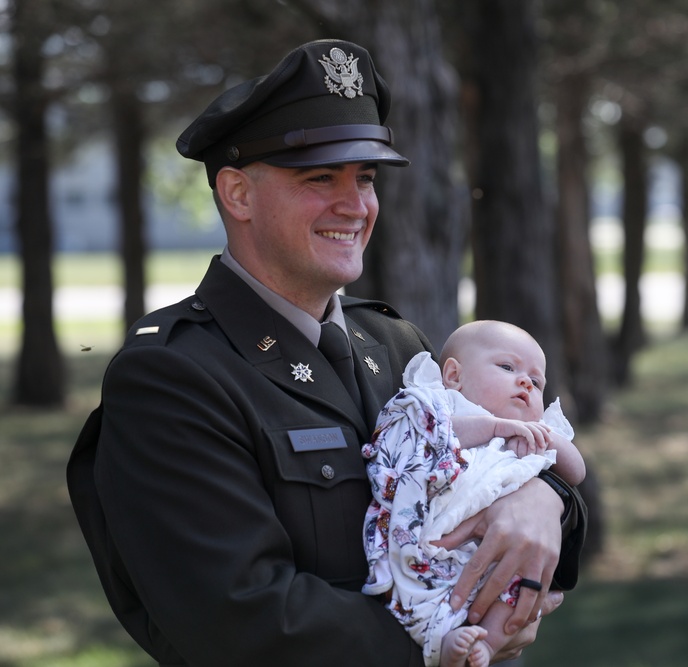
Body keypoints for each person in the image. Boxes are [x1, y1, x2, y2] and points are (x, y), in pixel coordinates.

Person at [65, 39, 586, 667]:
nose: (356, 205)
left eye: (364, 179)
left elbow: (519, 461)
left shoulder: (398, 346)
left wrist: (545, 500)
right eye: (320, 178)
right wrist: (444, 643)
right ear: (237, 194)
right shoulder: (174, 376)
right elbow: (242, 619)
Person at [362, 320, 587, 667]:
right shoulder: (446, 406)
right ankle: (444, 642)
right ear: (454, 376)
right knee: (426, 588)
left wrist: (546, 437)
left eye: (537, 381)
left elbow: (576, 472)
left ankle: (490, 644)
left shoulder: (538, 433)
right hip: (439, 535)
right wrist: (497, 426)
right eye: (507, 367)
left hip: (497, 552)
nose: (526, 381)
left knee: (512, 593)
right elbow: (441, 437)